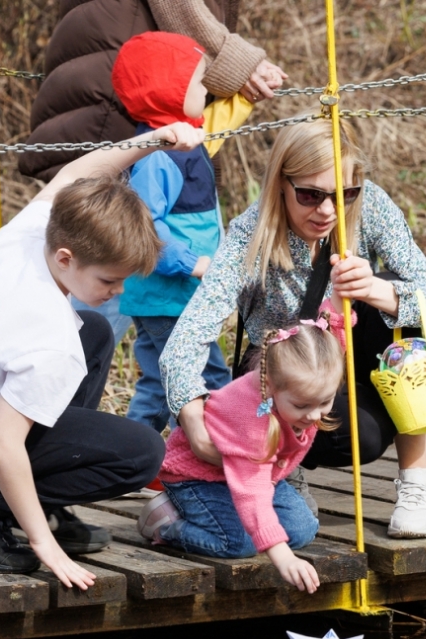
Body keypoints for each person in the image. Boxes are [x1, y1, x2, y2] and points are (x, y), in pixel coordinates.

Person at [0, 120, 207, 589]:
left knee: (95, 331)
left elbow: (81, 170)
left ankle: (35, 500)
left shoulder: (36, 229)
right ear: (66, 258)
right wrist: (45, 546)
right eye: (108, 281)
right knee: (142, 452)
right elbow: (3, 445)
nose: (117, 291)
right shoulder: (47, 337)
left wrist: (154, 139)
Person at [158, 121, 426, 538]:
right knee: (321, 490)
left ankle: (417, 481)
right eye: (311, 195)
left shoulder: (371, 208)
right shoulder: (251, 234)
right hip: (279, 382)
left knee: (395, 297)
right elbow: (185, 340)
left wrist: (377, 290)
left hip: (348, 369)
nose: (328, 211)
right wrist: (194, 423)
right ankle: (281, 467)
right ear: (282, 183)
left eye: (345, 194)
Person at [138, 316, 344, 592]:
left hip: (259, 474)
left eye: (325, 402)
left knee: (303, 528)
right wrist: (282, 558)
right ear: (270, 386)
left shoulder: (298, 387)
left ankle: (232, 520)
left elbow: (336, 341)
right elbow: (252, 489)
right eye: (302, 404)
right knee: (240, 543)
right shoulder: (251, 419)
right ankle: (167, 525)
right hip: (199, 477)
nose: (314, 414)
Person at [107, 31, 233, 431]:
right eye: (197, 82)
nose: (205, 90)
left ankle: (134, 459)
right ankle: (199, 458)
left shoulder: (182, 143)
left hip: (172, 296)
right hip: (167, 294)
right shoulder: (158, 157)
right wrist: (193, 263)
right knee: (205, 379)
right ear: (168, 92)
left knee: (161, 383)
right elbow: (143, 225)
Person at [20, 0, 286, 183]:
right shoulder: (157, 156)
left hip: (114, 71)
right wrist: (234, 61)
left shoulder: (182, 135)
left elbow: (210, 131)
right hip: (127, 86)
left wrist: (241, 97)